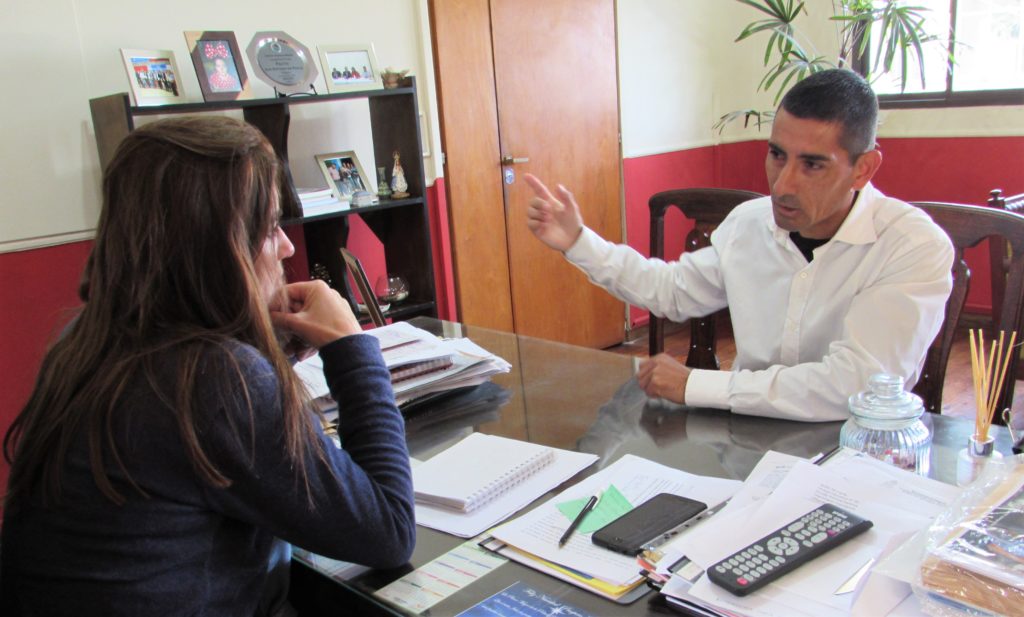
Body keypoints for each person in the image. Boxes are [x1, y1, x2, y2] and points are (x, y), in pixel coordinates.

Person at [1, 116, 416, 615]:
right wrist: (351, 346)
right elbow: (389, 531)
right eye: (268, 229)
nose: (287, 246)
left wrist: (264, 344)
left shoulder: (88, 339)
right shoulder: (215, 381)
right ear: (212, 252)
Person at [525, 68, 953, 422]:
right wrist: (578, 242)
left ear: (863, 169)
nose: (782, 185)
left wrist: (699, 384)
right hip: (748, 437)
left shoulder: (911, 245)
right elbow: (672, 290)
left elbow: (857, 385)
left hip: (855, 449)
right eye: (777, 154)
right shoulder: (749, 223)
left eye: (812, 164)